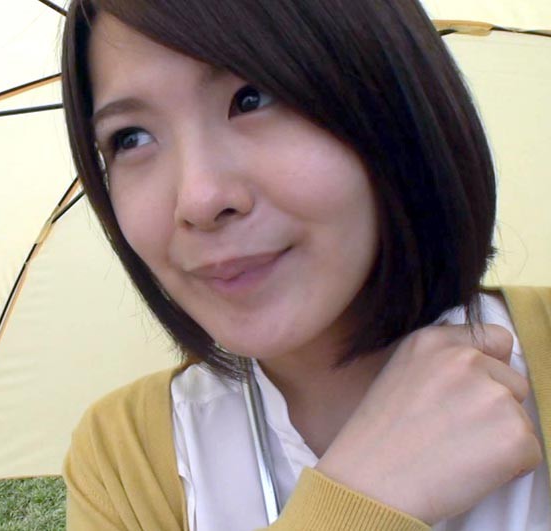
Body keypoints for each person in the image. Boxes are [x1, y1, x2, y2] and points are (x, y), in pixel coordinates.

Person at [59, 0, 551, 529]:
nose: (199, 199)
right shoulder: (121, 462)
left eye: (251, 98)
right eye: (130, 137)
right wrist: (360, 499)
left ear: (392, 98)